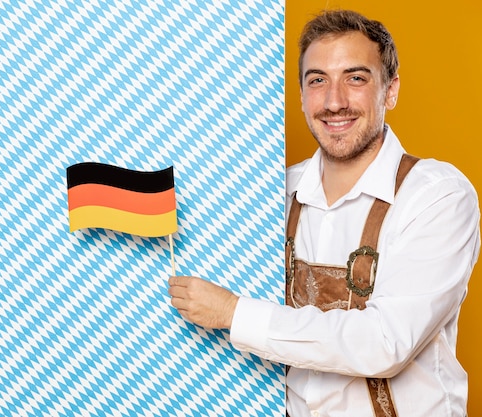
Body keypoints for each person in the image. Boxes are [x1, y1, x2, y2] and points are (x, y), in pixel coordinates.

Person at [168, 9, 480, 417]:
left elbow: (385, 341)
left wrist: (232, 312)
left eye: (355, 78)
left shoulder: (438, 196)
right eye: (318, 80)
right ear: (300, 94)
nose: (335, 102)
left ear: (391, 90)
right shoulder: (272, 193)